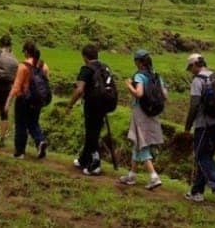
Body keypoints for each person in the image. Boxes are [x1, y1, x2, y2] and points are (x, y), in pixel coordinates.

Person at [183, 54, 215, 206]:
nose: (190, 71)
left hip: (205, 124)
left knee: (201, 156)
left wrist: (188, 126)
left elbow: (194, 105)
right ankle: (197, 192)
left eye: (190, 68)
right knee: (206, 156)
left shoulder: (198, 81)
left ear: (195, 65)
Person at [120, 49, 166, 191]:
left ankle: (153, 176)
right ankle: (132, 175)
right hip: (152, 112)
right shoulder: (156, 76)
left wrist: (128, 85)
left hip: (140, 112)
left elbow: (138, 93)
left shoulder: (139, 76)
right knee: (138, 142)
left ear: (139, 62)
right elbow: (165, 95)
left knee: (142, 143)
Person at [66, 44, 111, 176]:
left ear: (85, 57)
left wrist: (69, 105)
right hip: (104, 104)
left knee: (92, 134)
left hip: (92, 105)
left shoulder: (86, 69)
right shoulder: (104, 67)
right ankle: (83, 160)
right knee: (93, 132)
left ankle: (95, 164)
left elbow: (79, 89)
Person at [5, 41, 50, 159]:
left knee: (21, 125)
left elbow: (16, 86)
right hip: (38, 100)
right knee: (33, 122)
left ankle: (20, 152)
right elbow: (46, 83)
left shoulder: (23, 66)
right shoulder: (43, 66)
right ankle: (40, 141)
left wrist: (8, 101)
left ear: (26, 52)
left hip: (23, 99)